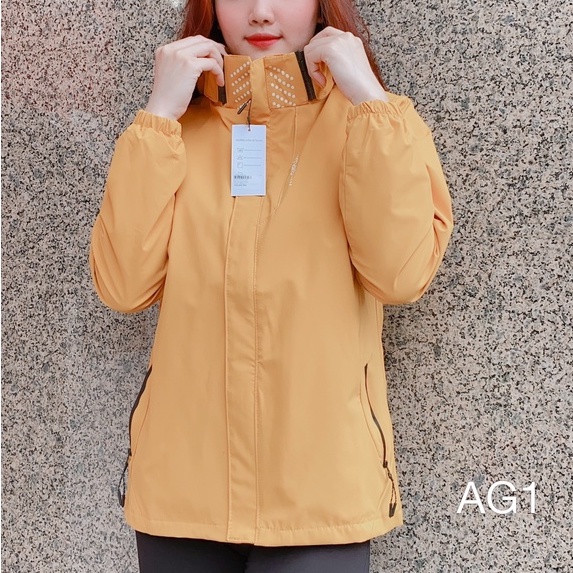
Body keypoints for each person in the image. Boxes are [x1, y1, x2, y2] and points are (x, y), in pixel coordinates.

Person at [89, 0, 454, 570]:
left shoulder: (369, 121)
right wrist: (158, 115)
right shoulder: (174, 129)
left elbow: (400, 275)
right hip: (182, 489)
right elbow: (122, 286)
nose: (261, 13)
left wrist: (370, 101)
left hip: (318, 491)